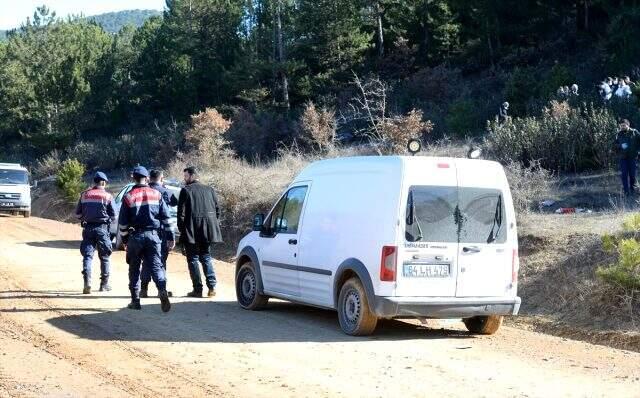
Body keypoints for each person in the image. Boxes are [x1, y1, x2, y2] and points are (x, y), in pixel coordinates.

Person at [118, 166, 174, 312]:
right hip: (154, 236)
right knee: (156, 265)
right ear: (147, 178)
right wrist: (170, 237)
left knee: (134, 268)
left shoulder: (128, 196)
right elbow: (167, 218)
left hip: (135, 237)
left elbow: (122, 223)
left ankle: (135, 301)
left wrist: (124, 240)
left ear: (133, 178)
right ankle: (162, 289)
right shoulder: (156, 194)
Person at [178, 166, 222, 298]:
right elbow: (218, 210)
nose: (184, 179)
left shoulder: (185, 191)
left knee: (193, 259)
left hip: (191, 230)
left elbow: (181, 215)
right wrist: (211, 225)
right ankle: (212, 287)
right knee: (206, 257)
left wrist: (182, 232)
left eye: (186, 176)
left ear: (192, 176)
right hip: (207, 230)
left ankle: (197, 289)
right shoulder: (210, 190)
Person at [140, 169, 179, 299]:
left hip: (143, 231)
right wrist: (171, 236)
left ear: (149, 178)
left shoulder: (142, 191)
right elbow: (174, 203)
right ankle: (161, 289)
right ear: (161, 178)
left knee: (146, 259)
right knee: (160, 260)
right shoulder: (164, 192)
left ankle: (143, 289)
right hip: (160, 232)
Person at [75, 172, 115, 294]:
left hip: (88, 228)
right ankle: (104, 284)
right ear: (103, 182)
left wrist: (86, 217)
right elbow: (114, 216)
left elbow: (78, 214)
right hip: (102, 229)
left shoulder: (84, 195)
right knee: (105, 257)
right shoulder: (108, 196)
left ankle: (87, 283)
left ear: (94, 182)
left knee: (87, 256)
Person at [615, 119, 640, 196]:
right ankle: (626, 191)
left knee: (632, 175)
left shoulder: (634, 132)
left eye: (623, 125)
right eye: (621, 126)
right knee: (624, 174)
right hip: (623, 158)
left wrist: (639, 151)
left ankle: (632, 189)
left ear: (628, 125)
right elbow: (614, 145)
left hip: (633, 157)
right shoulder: (618, 134)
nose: (622, 127)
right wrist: (620, 146)